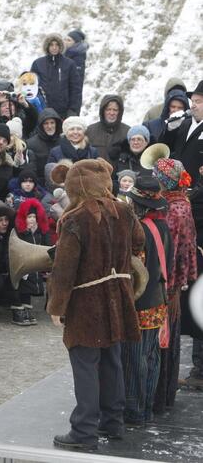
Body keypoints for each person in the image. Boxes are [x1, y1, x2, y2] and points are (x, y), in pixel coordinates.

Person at [47, 158, 145, 451]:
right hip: (118, 295)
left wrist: (57, 306)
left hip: (87, 302)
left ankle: (84, 431)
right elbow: (139, 243)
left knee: (85, 363)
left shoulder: (74, 218)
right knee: (112, 359)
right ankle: (112, 422)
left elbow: (64, 269)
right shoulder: (126, 211)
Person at [123, 175, 172, 426]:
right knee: (152, 357)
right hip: (159, 301)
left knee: (135, 359)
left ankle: (134, 411)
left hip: (141, 302)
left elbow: (135, 269)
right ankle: (148, 409)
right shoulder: (163, 225)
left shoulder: (139, 230)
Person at [151, 157, 197, 414]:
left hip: (167, 285)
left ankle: (159, 396)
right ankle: (165, 394)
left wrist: (170, 286)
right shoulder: (181, 202)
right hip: (174, 283)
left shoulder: (173, 209)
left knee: (163, 342)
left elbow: (173, 251)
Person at [161, 80, 203, 185]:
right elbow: (165, 148)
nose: (193, 105)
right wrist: (170, 130)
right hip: (176, 187)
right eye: (192, 101)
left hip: (197, 190)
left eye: (198, 102)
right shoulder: (184, 123)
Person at [30, 33, 81, 118]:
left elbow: (75, 90)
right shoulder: (38, 64)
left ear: (61, 46)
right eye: (51, 45)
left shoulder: (69, 64)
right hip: (43, 111)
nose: (54, 47)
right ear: (47, 46)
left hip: (64, 112)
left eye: (57, 44)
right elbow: (32, 88)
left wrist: (73, 110)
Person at [85, 95, 130, 162]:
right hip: (96, 170)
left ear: (120, 112)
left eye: (115, 110)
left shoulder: (128, 131)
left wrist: (125, 153)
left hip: (118, 171)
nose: (111, 113)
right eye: (108, 109)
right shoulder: (90, 130)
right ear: (103, 111)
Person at [27, 108, 62, 186]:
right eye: (46, 123)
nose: (49, 126)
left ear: (57, 124)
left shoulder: (64, 141)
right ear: (41, 125)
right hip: (41, 186)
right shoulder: (31, 144)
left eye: (52, 123)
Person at [64, 29, 88, 101]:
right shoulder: (66, 54)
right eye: (65, 39)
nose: (65, 42)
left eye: (69, 40)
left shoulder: (78, 57)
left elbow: (76, 81)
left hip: (70, 97)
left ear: (76, 43)